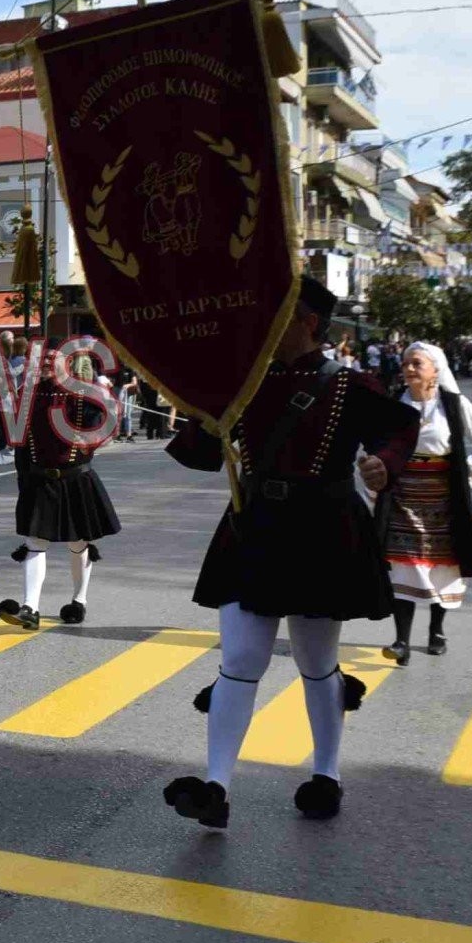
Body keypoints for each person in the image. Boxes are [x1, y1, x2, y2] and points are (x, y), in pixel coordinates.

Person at [162, 276, 420, 830]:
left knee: (316, 663)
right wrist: (202, 407)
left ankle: (326, 774)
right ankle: (216, 787)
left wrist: (384, 463)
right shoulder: (243, 383)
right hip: (253, 526)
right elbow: (197, 454)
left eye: (281, 316)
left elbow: (400, 429)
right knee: (239, 663)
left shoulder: (349, 385)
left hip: (321, 531)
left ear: (308, 322)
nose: (267, 327)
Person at [384, 341, 472, 664]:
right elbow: (376, 449)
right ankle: (401, 641)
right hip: (404, 496)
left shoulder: (453, 405)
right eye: (406, 363)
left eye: (417, 363)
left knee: (442, 566)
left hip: (443, 497)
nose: (408, 368)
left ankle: (436, 630)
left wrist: (468, 477)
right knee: (403, 568)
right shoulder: (394, 406)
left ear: (436, 370)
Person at [0, 348, 123, 630]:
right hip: (40, 480)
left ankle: (79, 600)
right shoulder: (28, 396)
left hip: (76, 479)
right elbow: (21, 443)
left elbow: (100, 429)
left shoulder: (85, 393)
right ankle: (30, 608)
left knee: (78, 543)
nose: (42, 365)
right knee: (34, 542)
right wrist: (23, 480)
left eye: (49, 361)